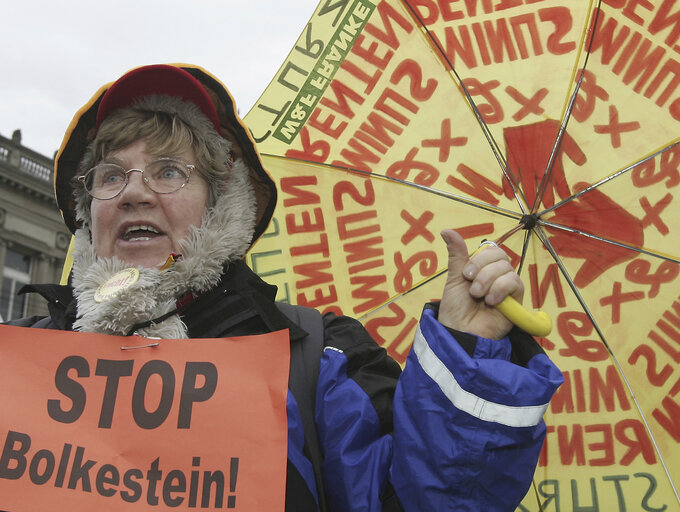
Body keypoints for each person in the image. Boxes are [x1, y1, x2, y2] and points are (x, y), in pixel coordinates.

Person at [4, 64, 563, 511]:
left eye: (170, 170)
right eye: (110, 176)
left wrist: (469, 351)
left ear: (220, 203)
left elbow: (434, 500)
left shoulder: (316, 358)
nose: (133, 193)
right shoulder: (17, 363)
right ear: (89, 212)